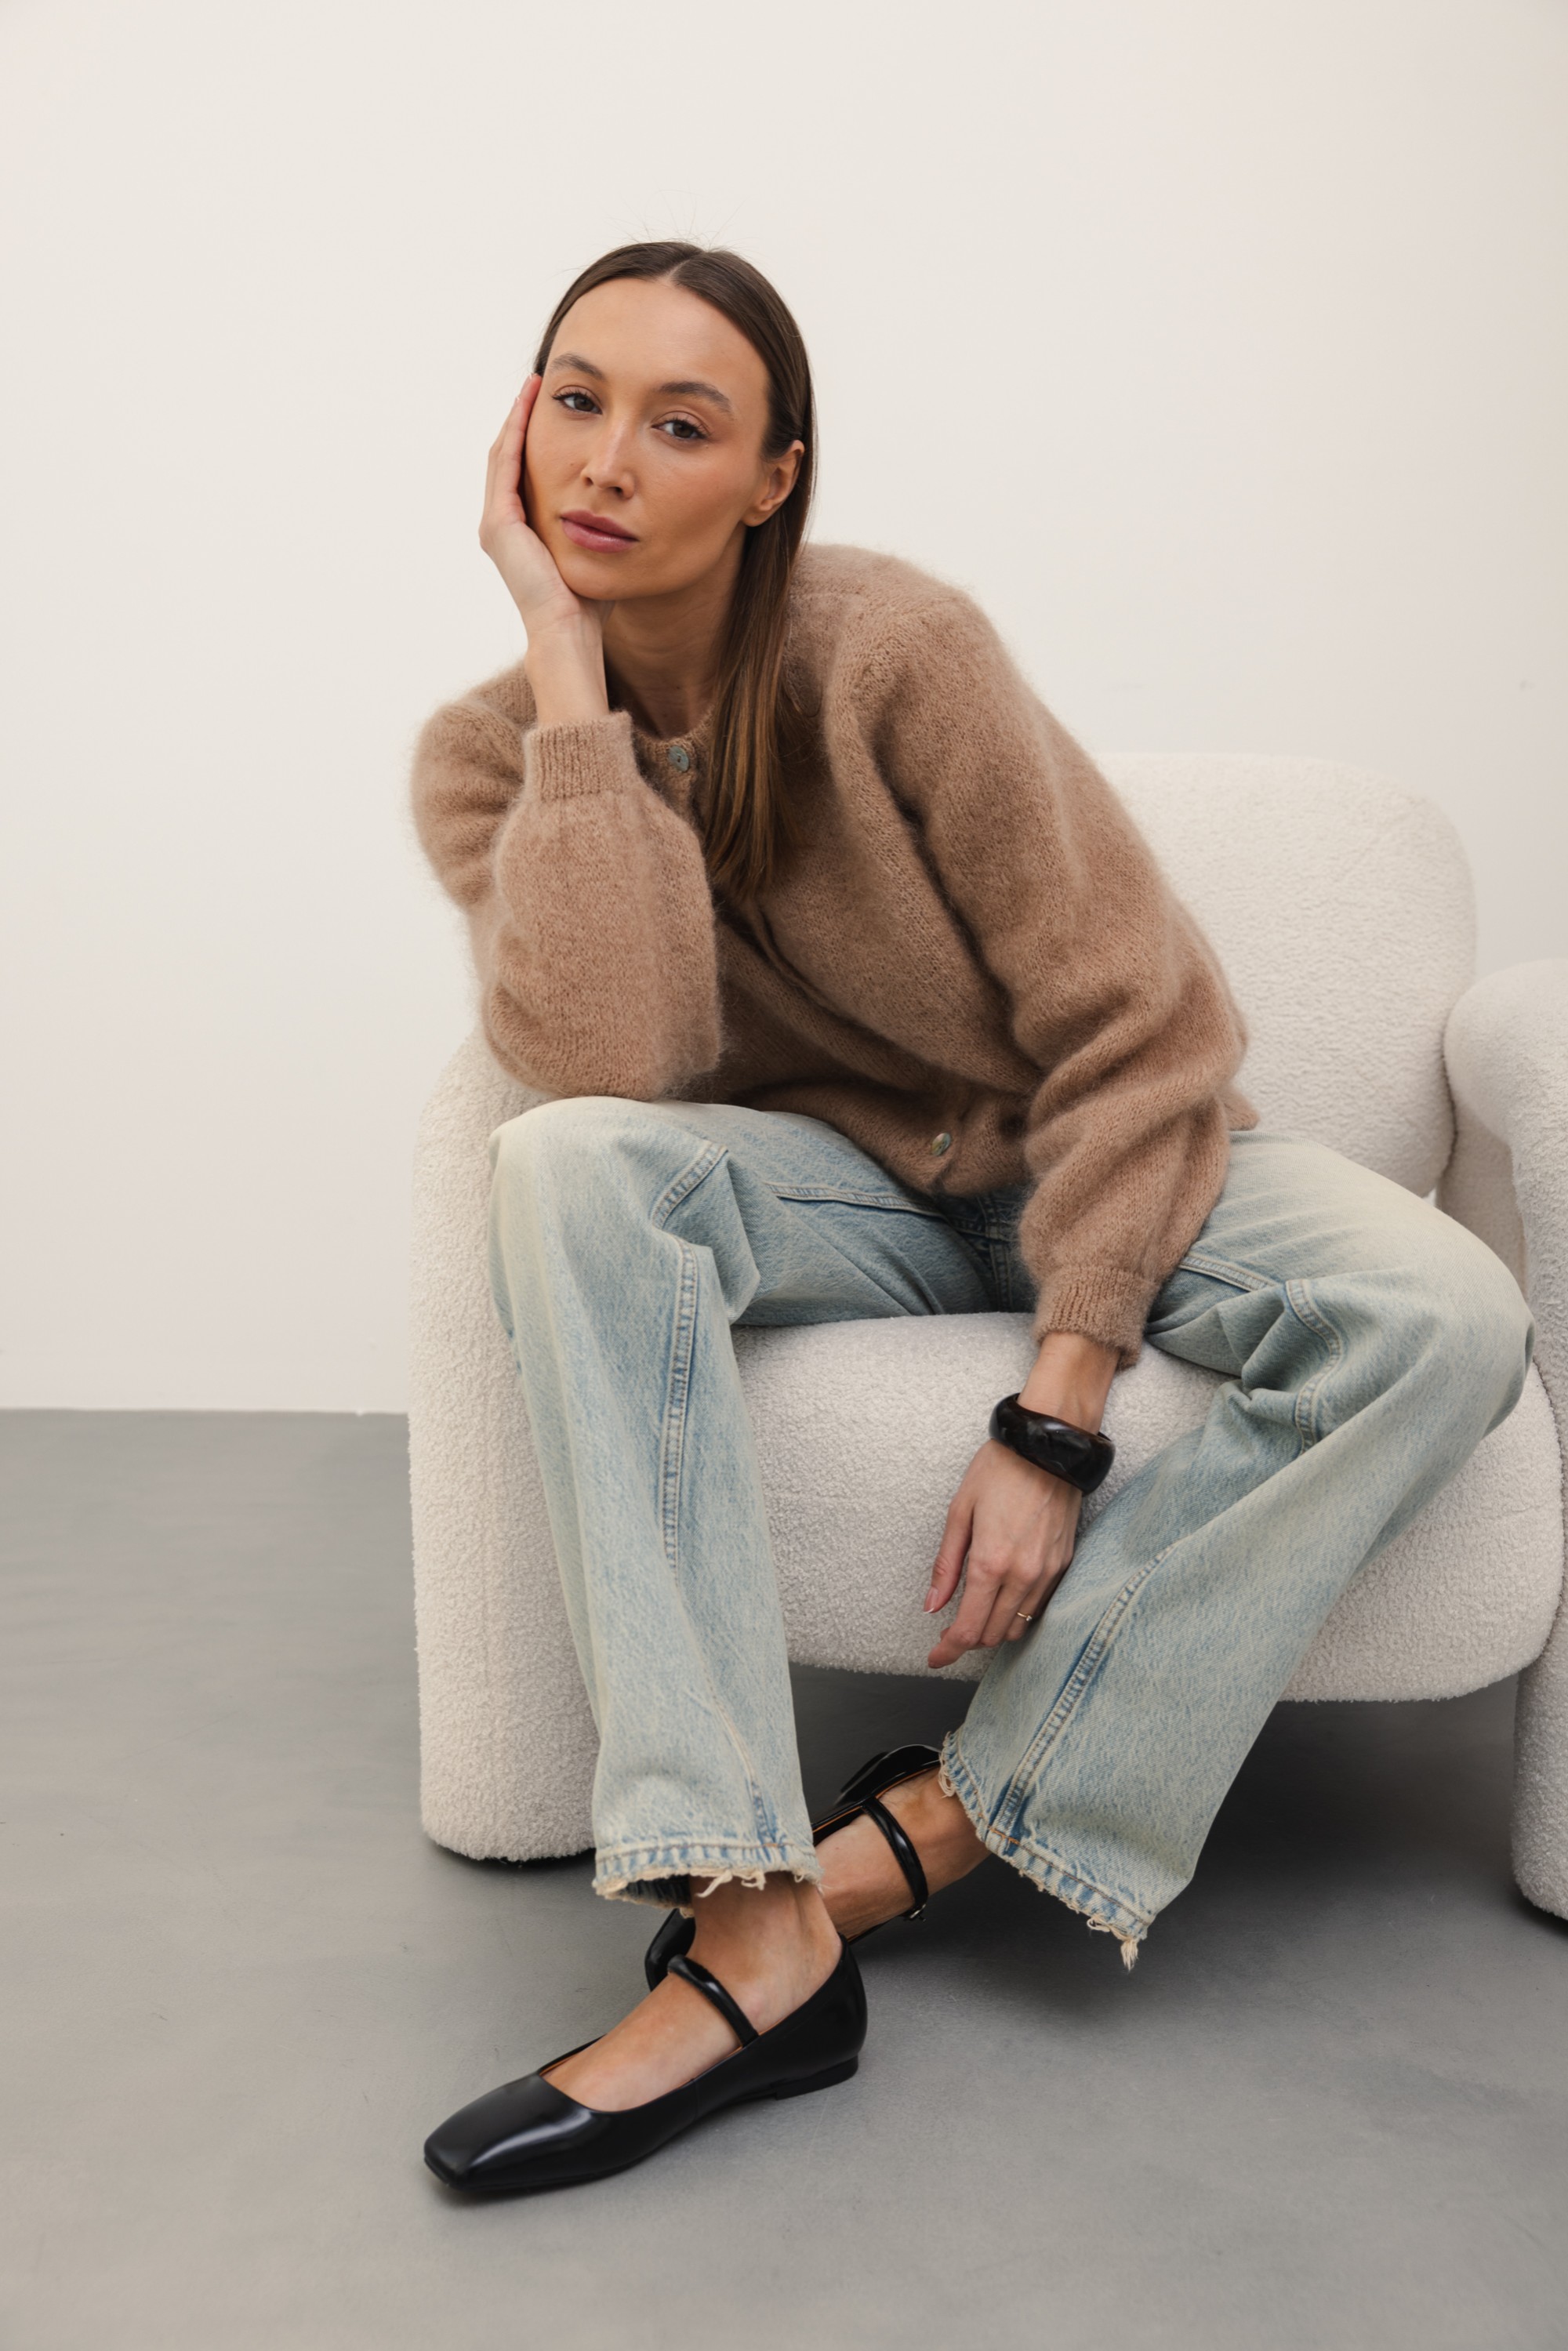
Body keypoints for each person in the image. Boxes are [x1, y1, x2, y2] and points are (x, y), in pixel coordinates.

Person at [411, 241, 1533, 2196]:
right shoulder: (487, 758)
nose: (606, 461)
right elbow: (616, 1060)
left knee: (1445, 1315)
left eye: (682, 424)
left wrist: (1057, 1408)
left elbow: (1142, 1019)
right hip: (844, 1191)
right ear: (518, 427)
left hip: (1095, 1156)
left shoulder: (888, 650)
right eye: (575, 400)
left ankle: (936, 1828)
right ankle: (747, 1910)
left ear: (772, 478)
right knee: (562, 1163)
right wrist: (572, 691)